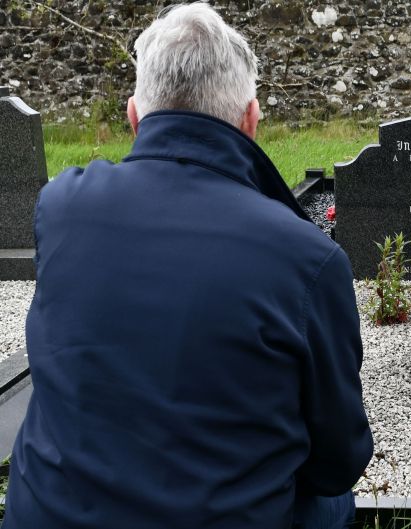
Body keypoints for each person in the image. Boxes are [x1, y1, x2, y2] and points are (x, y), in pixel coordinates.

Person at [3, 3, 372, 528]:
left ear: (133, 116)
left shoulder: (61, 205)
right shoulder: (308, 259)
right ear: (251, 118)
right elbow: (339, 459)